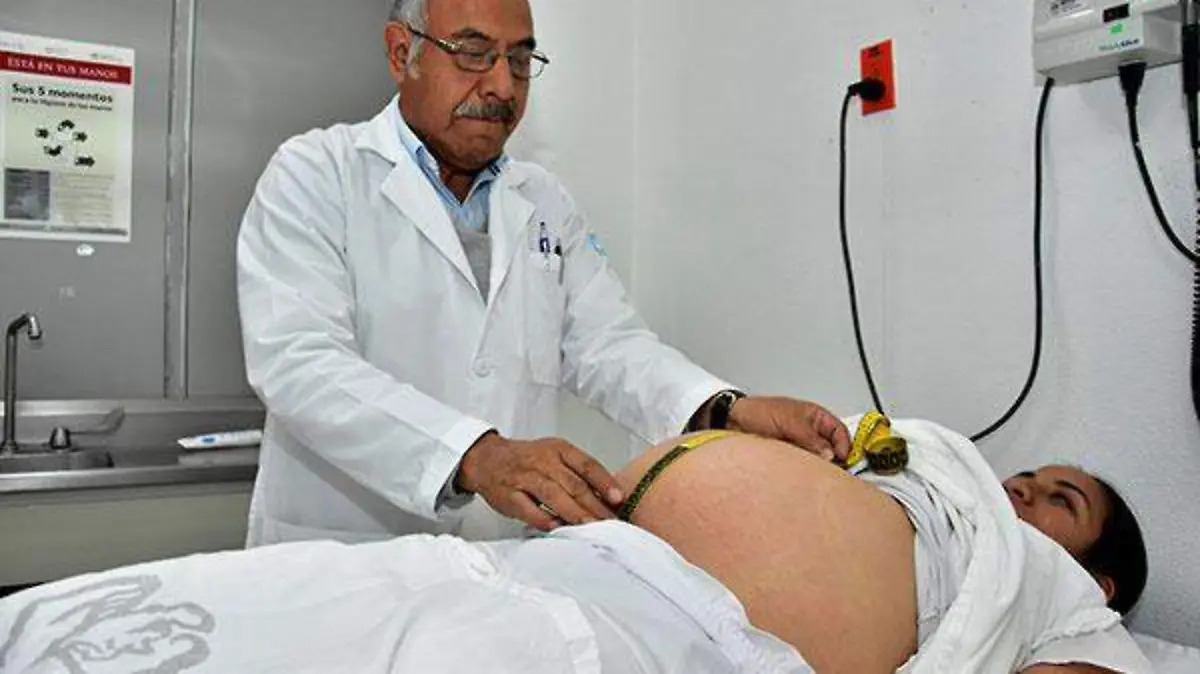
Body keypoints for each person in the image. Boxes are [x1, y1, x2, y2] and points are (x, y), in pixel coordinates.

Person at [235, 0, 852, 546]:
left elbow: (609, 347)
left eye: (520, 60)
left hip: (501, 561)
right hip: (348, 556)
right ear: (403, 53)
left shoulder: (543, 201)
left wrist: (726, 409)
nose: (502, 85)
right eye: (473, 53)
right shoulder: (315, 175)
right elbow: (299, 363)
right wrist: (476, 456)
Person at [0, 420, 1150, 673]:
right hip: (535, 565)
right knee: (155, 622)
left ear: (1097, 577)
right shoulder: (939, 477)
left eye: (1060, 501)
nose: (1020, 488)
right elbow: (303, 360)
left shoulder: (1062, 599)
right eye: (1030, 473)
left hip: (669, 641)